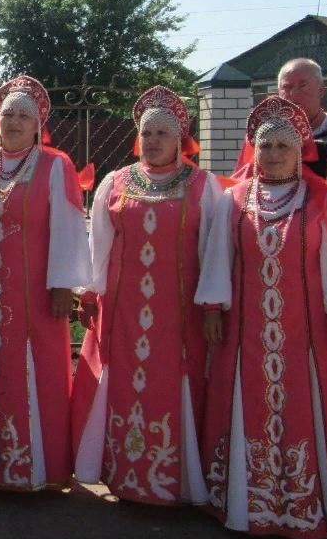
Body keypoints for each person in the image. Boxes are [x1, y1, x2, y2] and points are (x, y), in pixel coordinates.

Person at [197, 95, 327, 539]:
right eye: (264, 145)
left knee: (305, 410)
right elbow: (217, 259)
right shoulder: (233, 200)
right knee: (242, 405)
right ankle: (245, 507)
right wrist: (213, 307)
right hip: (243, 334)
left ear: (300, 151)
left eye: (281, 147)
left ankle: (305, 510)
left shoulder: (323, 198)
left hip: (303, 336)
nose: (271, 155)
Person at [71, 86, 222, 505]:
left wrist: (212, 305)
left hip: (179, 314)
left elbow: (214, 250)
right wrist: (89, 294)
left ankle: (175, 481)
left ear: (180, 140)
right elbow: (97, 244)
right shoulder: (115, 183)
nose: (152, 141)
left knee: (174, 383)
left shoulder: (203, 186)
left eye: (162, 133)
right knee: (120, 380)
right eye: (146, 133)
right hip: (123, 309)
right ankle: (125, 475)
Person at [0, 75, 89, 491]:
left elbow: (67, 226)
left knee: (33, 370)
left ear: (38, 123)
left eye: (24, 115)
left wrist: (63, 285)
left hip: (35, 294)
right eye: (8, 113)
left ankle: (34, 470)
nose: (14, 121)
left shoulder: (54, 166)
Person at [232, 58, 327, 229]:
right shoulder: (262, 137)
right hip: (270, 231)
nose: (293, 94)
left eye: (303, 85)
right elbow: (238, 185)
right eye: (287, 87)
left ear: (321, 90)